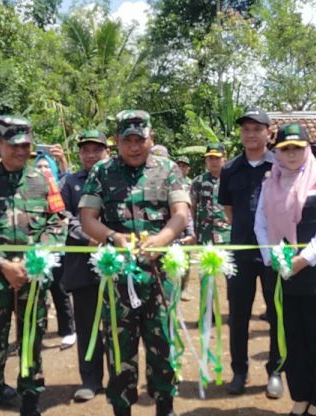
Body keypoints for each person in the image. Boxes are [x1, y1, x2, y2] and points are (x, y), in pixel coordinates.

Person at [79, 110, 189, 416]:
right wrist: (113, 236)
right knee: (118, 348)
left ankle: (165, 406)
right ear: (117, 142)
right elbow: (87, 219)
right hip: (117, 278)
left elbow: (181, 213)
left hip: (159, 275)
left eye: (140, 139)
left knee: (162, 345)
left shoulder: (168, 169)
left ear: (151, 138)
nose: (134, 146)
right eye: (127, 140)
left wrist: (164, 238)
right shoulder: (101, 171)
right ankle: (122, 408)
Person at [0, 115, 67, 416]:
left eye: (26, 146)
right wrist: (3, 264)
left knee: (32, 341)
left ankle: (30, 400)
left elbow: (58, 222)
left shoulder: (43, 181)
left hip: (33, 278)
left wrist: (34, 258)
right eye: (14, 146)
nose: (21, 152)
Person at [255, 123, 316, 416]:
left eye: (297, 148)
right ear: (277, 152)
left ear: (307, 150)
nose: (291, 154)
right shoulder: (270, 182)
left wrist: (303, 259)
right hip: (282, 274)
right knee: (291, 339)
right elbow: (261, 225)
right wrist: (274, 260)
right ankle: (300, 396)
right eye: (285, 148)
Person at [218, 108, 283, 398]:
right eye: (246, 129)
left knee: (278, 314)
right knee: (239, 315)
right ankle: (239, 371)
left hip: (274, 253)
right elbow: (228, 209)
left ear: (269, 132)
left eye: (257, 128)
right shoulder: (230, 169)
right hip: (241, 253)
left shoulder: (281, 164)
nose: (251, 134)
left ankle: (276, 371)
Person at [60, 129, 110, 402]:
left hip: (116, 263)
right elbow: (63, 216)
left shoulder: (115, 177)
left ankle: (118, 376)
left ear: (107, 151)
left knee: (117, 324)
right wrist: (91, 238)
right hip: (82, 263)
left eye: (97, 150)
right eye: (85, 150)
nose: (91, 155)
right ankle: (90, 379)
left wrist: (110, 239)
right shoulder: (69, 183)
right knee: (88, 323)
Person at [34, 152, 77, 349]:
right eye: (39, 166)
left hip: (57, 248)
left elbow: (63, 218)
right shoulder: (29, 189)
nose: (42, 170)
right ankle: (34, 334)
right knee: (36, 294)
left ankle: (68, 330)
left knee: (59, 290)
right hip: (35, 252)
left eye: (46, 167)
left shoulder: (60, 188)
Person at [188, 143, 231, 299]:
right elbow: (191, 207)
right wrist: (191, 230)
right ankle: (207, 314)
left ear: (224, 159)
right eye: (210, 158)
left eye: (217, 158)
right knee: (206, 278)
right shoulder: (198, 182)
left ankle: (234, 314)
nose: (213, 161)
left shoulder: (231, 179)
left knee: (231, 276)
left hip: (228, 236)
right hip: (205, 236)